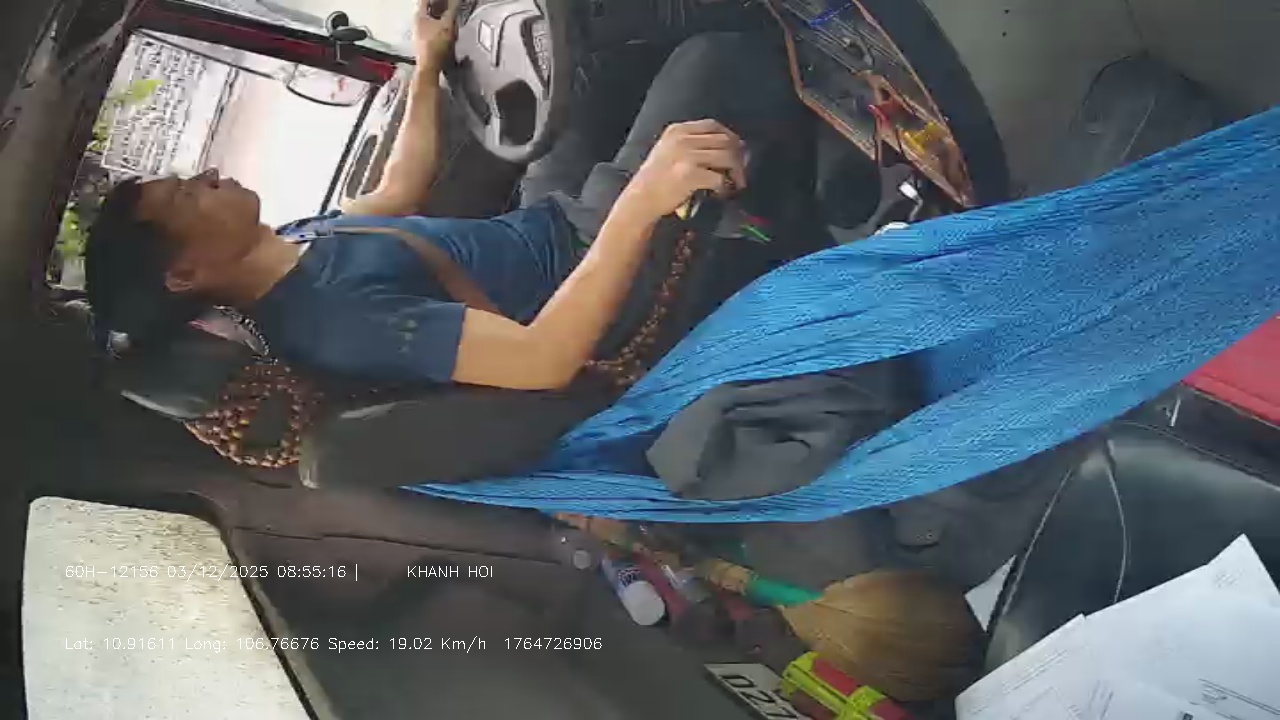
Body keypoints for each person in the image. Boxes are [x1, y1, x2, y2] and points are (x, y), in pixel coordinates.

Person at [86, 0, 821, 392]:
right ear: (184, 273)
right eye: (188, 195)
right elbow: (541, 361)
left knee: (584, 60)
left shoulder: (297, 238)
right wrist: (644, 197)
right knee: (715, 61)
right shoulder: (331, 323)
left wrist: (429, 61)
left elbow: (400, 187)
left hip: (549, 219)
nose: (209, 176)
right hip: (592, 268)